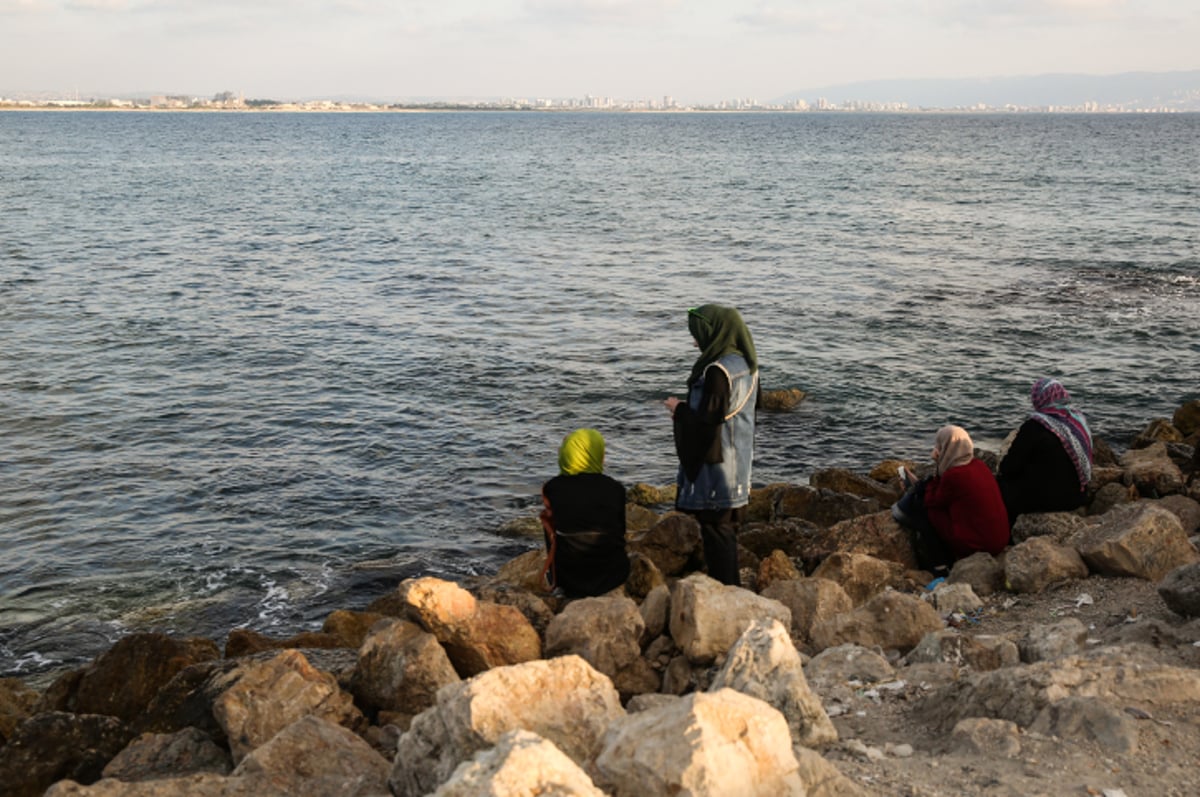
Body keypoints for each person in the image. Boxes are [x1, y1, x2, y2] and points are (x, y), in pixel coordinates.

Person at [664, 304, 759, 587]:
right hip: (740, 464)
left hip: (718, 470)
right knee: (726, 530)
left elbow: (707, 423)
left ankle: (730, 595)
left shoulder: (717, 372)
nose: (694, 341)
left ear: (715, 332)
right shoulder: (746, 366)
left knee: (718, 532)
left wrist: (678, 410)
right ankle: (730, 590)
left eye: (697, 334)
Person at [891, 425, 1009, 572]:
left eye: (939, 446)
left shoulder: (954, 475)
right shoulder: (979, 465)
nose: (936, 449)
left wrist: (933, 471)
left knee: (926, 509)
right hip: (1001, 539)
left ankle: (940, 566)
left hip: (981, 546)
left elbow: (932, 500)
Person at [539, 428, 630, 598]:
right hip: (613, 576)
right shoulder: (616, 489)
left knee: (550, 521)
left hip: (569, 580)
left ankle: (556, 578)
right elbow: (621, 531)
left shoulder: (553, 488)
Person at [996, 378, 1093, 527]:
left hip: (1048, 500)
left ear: (1038, 398)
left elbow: (1008, 468)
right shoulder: (1077, 419)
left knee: (998, 486)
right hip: (1077, 496)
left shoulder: (1034, 426)